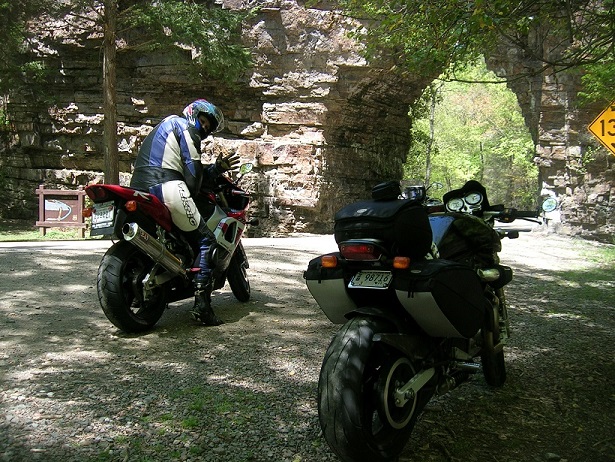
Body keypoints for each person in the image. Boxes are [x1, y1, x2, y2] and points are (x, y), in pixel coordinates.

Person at [130, 99, 240, 326]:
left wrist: (217, 168)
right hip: (166, 185)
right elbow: (192, 175)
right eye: (203, 121)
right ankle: (202, 307)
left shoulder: (164, 127)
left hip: (140, 188)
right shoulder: (186, 128)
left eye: (208, 127)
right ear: (193, 114)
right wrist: (201, 182)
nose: (204, 128)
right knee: (206, 241)